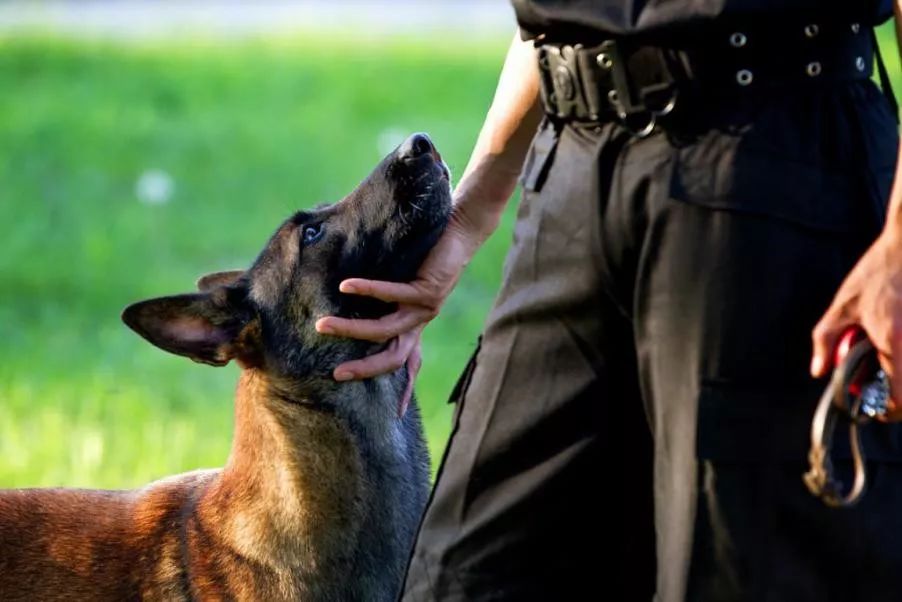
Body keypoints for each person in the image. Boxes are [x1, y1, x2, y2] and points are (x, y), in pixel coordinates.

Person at [315, 2, 902, 600]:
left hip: (771, 161)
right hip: (571, 168)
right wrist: (468, 218)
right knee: (462, 575)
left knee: (728, 566)